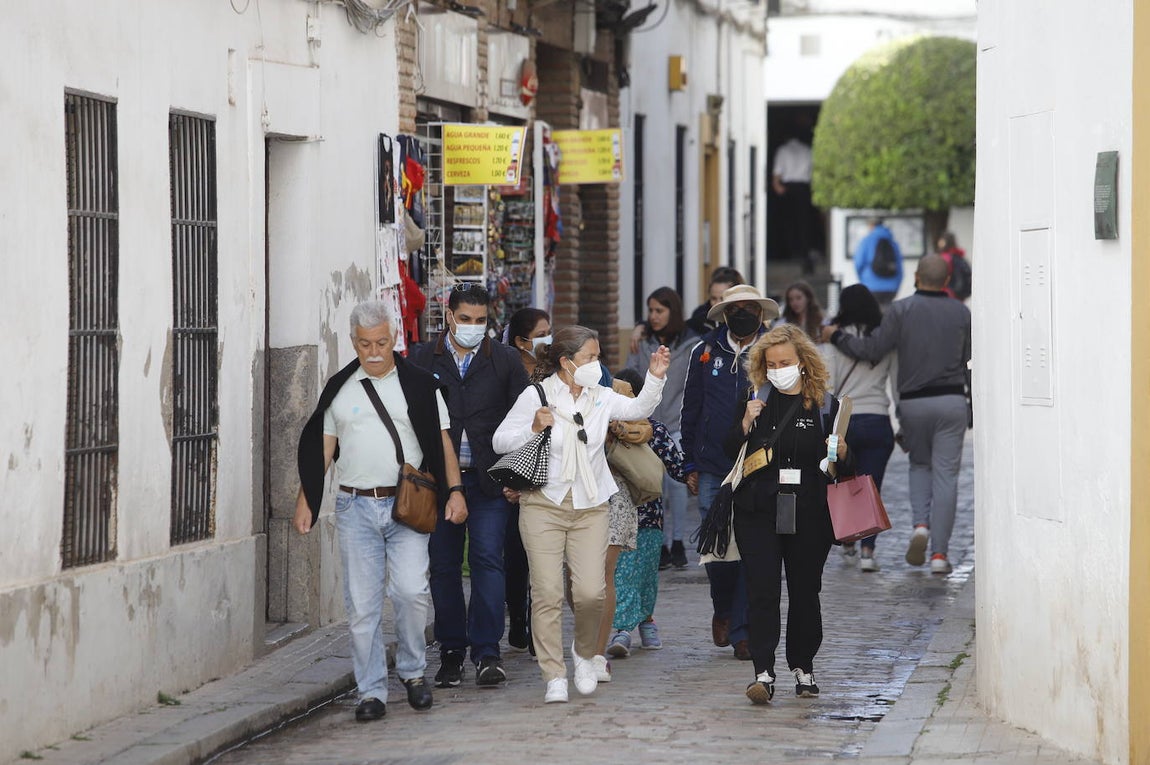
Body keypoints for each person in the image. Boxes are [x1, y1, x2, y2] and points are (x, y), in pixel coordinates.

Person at [294, 299, 464, 722]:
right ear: (354, 342)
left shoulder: (421, 384)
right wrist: (306, 500)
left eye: (382, 343)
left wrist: (456, 492)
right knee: (362, 607)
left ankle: (412, 671)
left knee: (411, 592)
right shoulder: (339, 387)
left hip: (408, 506)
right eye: (365, 344)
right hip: (354, 507)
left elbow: (443, 442)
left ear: (395, 338)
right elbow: (323, 449)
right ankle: (370, 691)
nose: (373, 352)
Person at [492, 327, 671, 703]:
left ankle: (585, 654)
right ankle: (554, 674)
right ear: (566, 362)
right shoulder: (537, 395)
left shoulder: (601, 396)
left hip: (591, 505)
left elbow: (638, 409)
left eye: (598, 356)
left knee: (591, 592)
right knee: (547, 592)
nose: (596, 363)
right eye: (590, 357)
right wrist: (533, 427)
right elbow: (499, 440)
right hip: (543, 503)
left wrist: (655, 376)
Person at [726, 323, 856, 704]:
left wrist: (843, 452)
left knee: (805, 592)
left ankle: (803, 666)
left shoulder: (826, 406)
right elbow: (727, 449)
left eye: (784, 363)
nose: (777, 370)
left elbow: (843, 468)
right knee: (762, 590)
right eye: (771, 364)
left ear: (802, 361)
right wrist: (745, 423)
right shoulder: (754, 399)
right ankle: (763, 672)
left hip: (810, 511)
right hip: (758, 510)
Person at [408, 284, 530, 688]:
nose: (473, 326)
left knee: (488, 560)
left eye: (480, 320)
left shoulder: (505, 360)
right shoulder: (422, 358)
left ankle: (487, 651)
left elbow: (523, 420)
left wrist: (516, 477)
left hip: (489, 481)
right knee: (443, 565)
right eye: (465, 319)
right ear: (449, 317)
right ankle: (451, 651)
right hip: (439, 483)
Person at [822, 255, 971, 574]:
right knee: (947, 475)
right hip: (952, 399)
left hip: (915, 402)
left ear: (916, 276)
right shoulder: (961, 312)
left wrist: (836, 336)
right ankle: (939, 555)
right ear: (947, 281)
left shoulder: (900, 310)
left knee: (920, 465)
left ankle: (920, 525)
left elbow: (872, 350)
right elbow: (968, 357)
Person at [681, 284, 780, 660]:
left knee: (751, 545)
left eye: (749, 308)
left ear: (761, 313)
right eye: (735, 309)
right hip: (712, 464)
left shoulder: (775, 349)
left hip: (758, 462)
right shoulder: (704, 351)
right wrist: (688, 462)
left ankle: (742, 630)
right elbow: (691, 408)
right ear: (724, 315)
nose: (742, 314)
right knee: (716, 547)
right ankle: (722, 606)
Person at [606, 368, 687, 658]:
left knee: (647, 574)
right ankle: (623, 628)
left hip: (649, 515)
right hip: (615, 516)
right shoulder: (604, 431)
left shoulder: (655, 431)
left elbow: (677, 467)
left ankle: (646, 620)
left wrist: (697, 475)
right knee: (623, 574)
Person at [823, 285, 897, 572]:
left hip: (846, 421)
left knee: (843, 481)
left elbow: (828, 386)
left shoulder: (833, 339)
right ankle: (868, 551)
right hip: (878, 419)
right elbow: (896, 384)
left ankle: (848, 540)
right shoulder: (884, 341)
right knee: (871, 487)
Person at [625, 287, 699, 570]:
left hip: (677, 423)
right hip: (648, 425)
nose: (654, 316)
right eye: (651, 310)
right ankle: (662, 545)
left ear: (673, 311)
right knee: (654, 484)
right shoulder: (643, 342)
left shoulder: (691, 344)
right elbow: (630, 378)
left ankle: (678, 541)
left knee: (676, 483)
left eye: (660, 310)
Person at [501, 307, 552, 652]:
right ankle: (518, 615)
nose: (549, 338)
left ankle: (539, 623)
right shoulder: (505, 372)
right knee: (516, 554)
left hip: (548, 470)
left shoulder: (556, 372)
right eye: (542, 333)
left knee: (544, 554)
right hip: (512, 471)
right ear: (521, 341)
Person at [772, 132, 817, 273]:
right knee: (804, 223)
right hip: (803, 188)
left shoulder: (783, 150)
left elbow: (777, 173)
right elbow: (813, 172)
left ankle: (791, 252)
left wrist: (777, 187)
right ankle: (804, 253)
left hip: (788, 188)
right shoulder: (807, 150)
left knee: (788, 222)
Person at [853, 218, 903, 306]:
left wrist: (863, 280)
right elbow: (900, 267)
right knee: (887, 312)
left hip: (871, 286)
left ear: (872, 226)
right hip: (891, 288)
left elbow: (858, 263)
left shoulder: (866, 241)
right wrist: (896, 285)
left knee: (871, 312)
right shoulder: (892, 242)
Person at [936, 232, 970, 300]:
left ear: (945, 242)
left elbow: (940, 276)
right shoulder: (958, 256)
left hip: (947, 295)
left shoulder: (946, 257)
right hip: (958, 296)